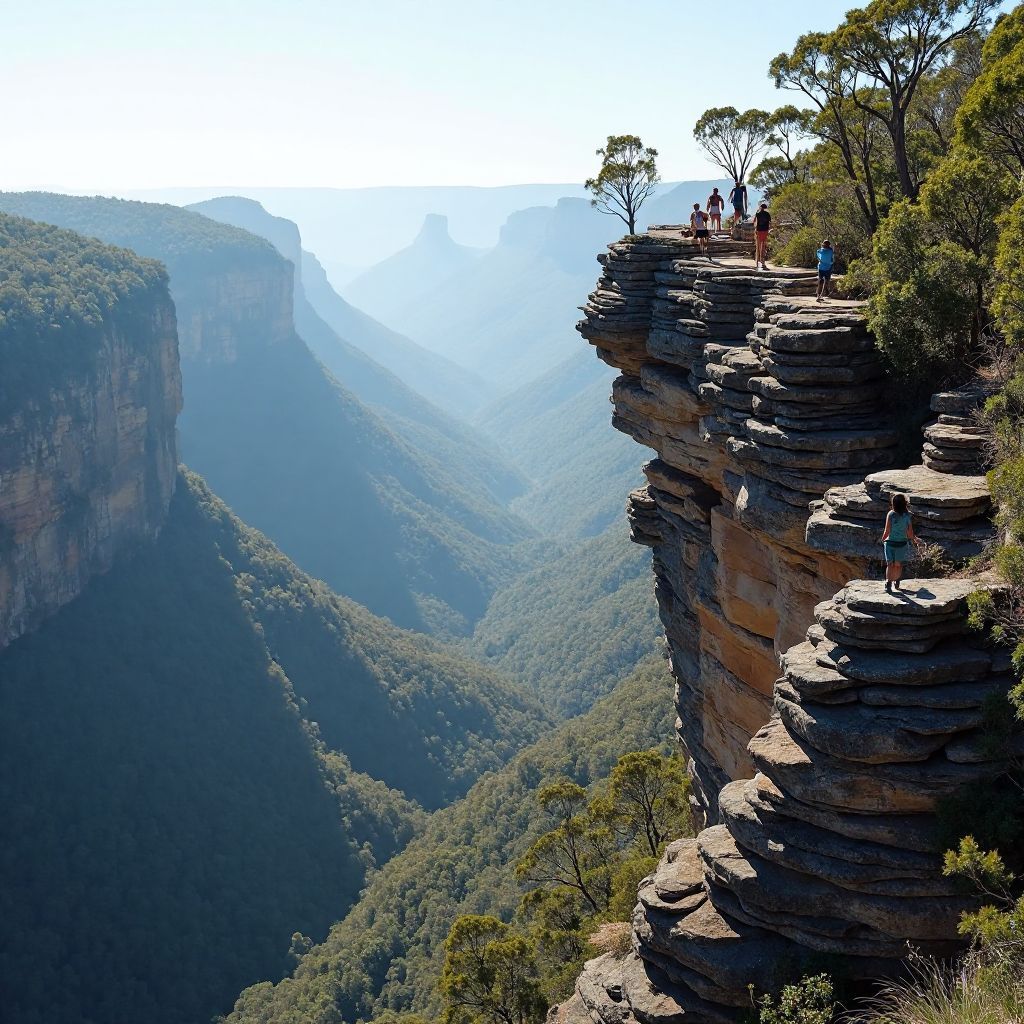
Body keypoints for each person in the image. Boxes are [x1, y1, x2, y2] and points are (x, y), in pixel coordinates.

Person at [880, 492, 923, 592]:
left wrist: (882, 540)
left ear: (893, 503)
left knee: (890, 564)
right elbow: (910, 532)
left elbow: (887, 530)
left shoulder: (890, 514)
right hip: (902, 544)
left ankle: (888, 582)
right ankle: (897, 580)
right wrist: (914, 539)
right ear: (905, 503)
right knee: (898, 564)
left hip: (890, 543)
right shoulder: (907, 516)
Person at [753, 202, 771, 269]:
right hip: (765, 231)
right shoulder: (767, 214)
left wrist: (755, 230)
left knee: (758, 246)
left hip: (759, 231)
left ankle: (757, 261)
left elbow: (754, 222)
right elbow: (769, 223)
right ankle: (762, 262)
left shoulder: (758, 214)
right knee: (763, 246)